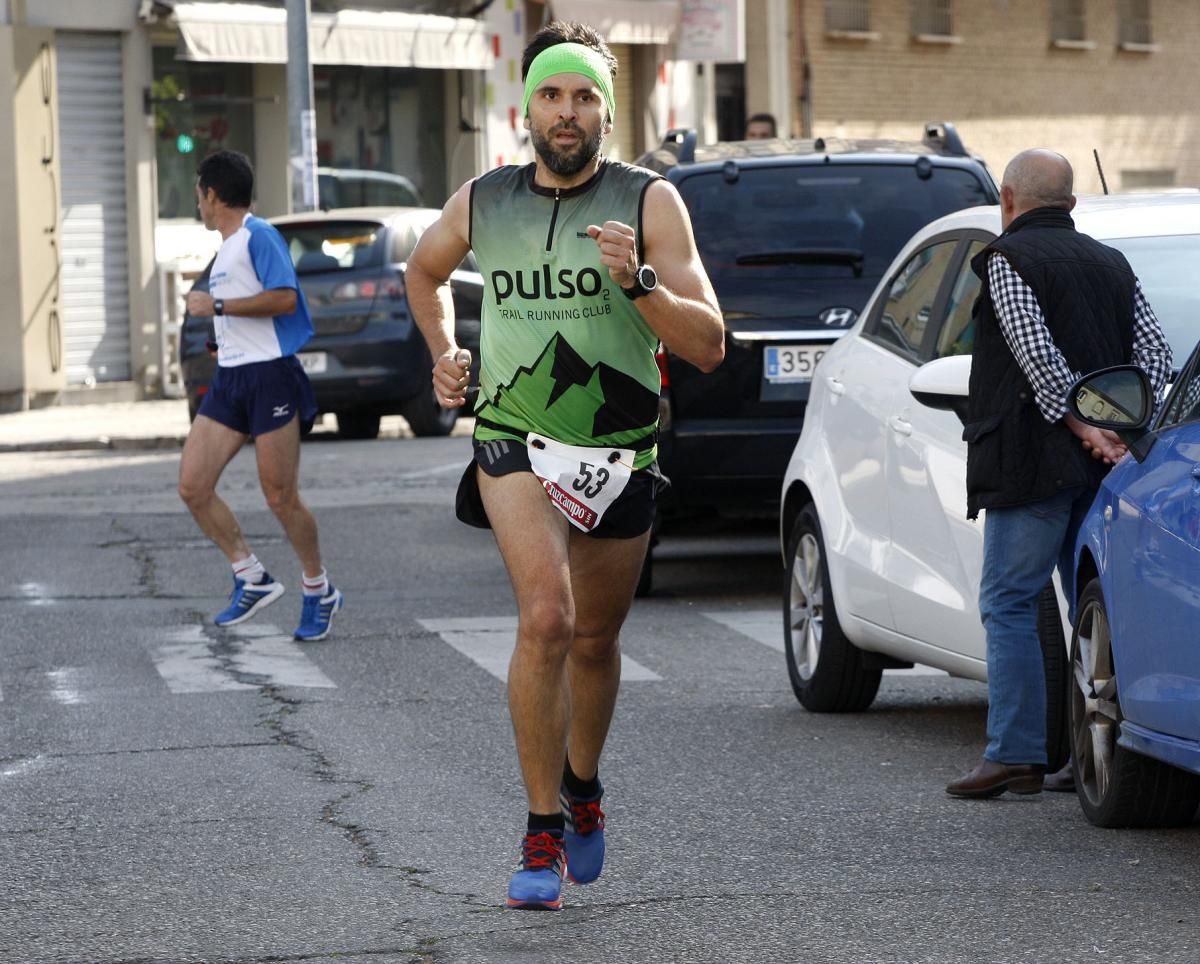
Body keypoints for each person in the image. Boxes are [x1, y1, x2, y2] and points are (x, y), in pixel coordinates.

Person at [406, 21, 724, 909]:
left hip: (620, 447)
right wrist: (444, 349)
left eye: (584, 97)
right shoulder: (483, 198)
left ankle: (583, 788)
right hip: (510, 431)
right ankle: (540, 829)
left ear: (608, 111)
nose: (567, 112)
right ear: (528, 108)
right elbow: (422, 270)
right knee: (547, 619)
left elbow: (710, 344)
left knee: (595, 638)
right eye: (551, 94)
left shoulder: (650, 202)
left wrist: (641, 287)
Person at [945, 149, 1171, 799]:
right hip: (1107, 470)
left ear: (1008, 200)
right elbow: (1154, 359)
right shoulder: (1114, 264)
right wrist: (1119, 433)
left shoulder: (1007, 260)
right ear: (1070, 205)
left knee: (1009, 602)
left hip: (1030, 462)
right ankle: (1089, 751)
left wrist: (1081, 425)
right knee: (1093, 609)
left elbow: (1034, 352)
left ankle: (1014, 753)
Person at [180, 150, 344, 642]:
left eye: (199, 194)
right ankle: (250, 575)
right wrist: (219, 327)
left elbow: (285, 297)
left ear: (212, 195)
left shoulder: (259, 235)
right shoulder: (226, 247)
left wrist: (218, 303)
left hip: (271, 377)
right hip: (231, 379)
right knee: (193, 485)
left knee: (280, 495)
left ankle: (318, 588)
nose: (199, 203)